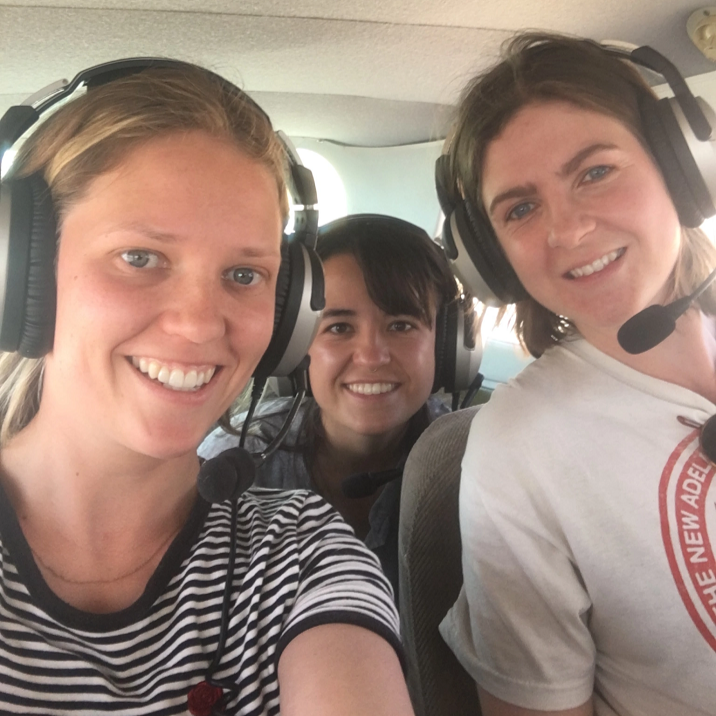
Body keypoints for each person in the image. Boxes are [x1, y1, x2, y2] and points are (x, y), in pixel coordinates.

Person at [0, 60, 415, 716]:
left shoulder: (300, 552)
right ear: (21, 271)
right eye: (139, 258)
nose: (198, 325)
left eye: (244, 275)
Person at [436, 33, 716, 716]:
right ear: (491, 257)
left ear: (680, 166)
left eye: (595, 172)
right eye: (521, 208)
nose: (568, 230)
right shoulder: (519, 449)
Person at [201, 214, 470, 598]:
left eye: (401, 325)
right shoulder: (237, 463)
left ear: (445, 346)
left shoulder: (474, 466)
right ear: (295, 345)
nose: (372, 356)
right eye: (339, 328)